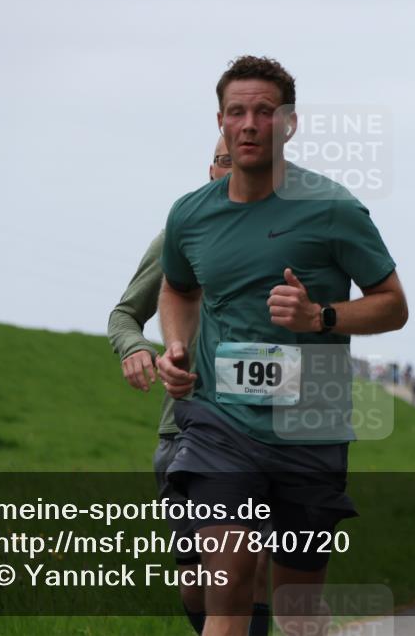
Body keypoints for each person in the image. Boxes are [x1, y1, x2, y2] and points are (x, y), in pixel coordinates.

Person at [157, 55, 408, 636]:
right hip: (221, 426)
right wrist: (176, 345)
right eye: (237, 112)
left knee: (295, 610)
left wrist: (321, 316)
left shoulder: (333, 209)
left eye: (264, 112)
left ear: (288, 123)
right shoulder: (190, 215)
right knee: (230, 584)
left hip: (309, 428)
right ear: (220, 120)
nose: (249, 124)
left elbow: (393, 304)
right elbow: (177, 286)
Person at [107, 138, 273, 636]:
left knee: (250, 567)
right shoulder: (179, 238)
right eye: (225, 161)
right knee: (199, 582)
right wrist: (135, 347)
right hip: (183, 432)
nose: (233, 172)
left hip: (259, 431)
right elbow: (123, 314)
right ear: (211, 170)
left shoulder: (281, 239)